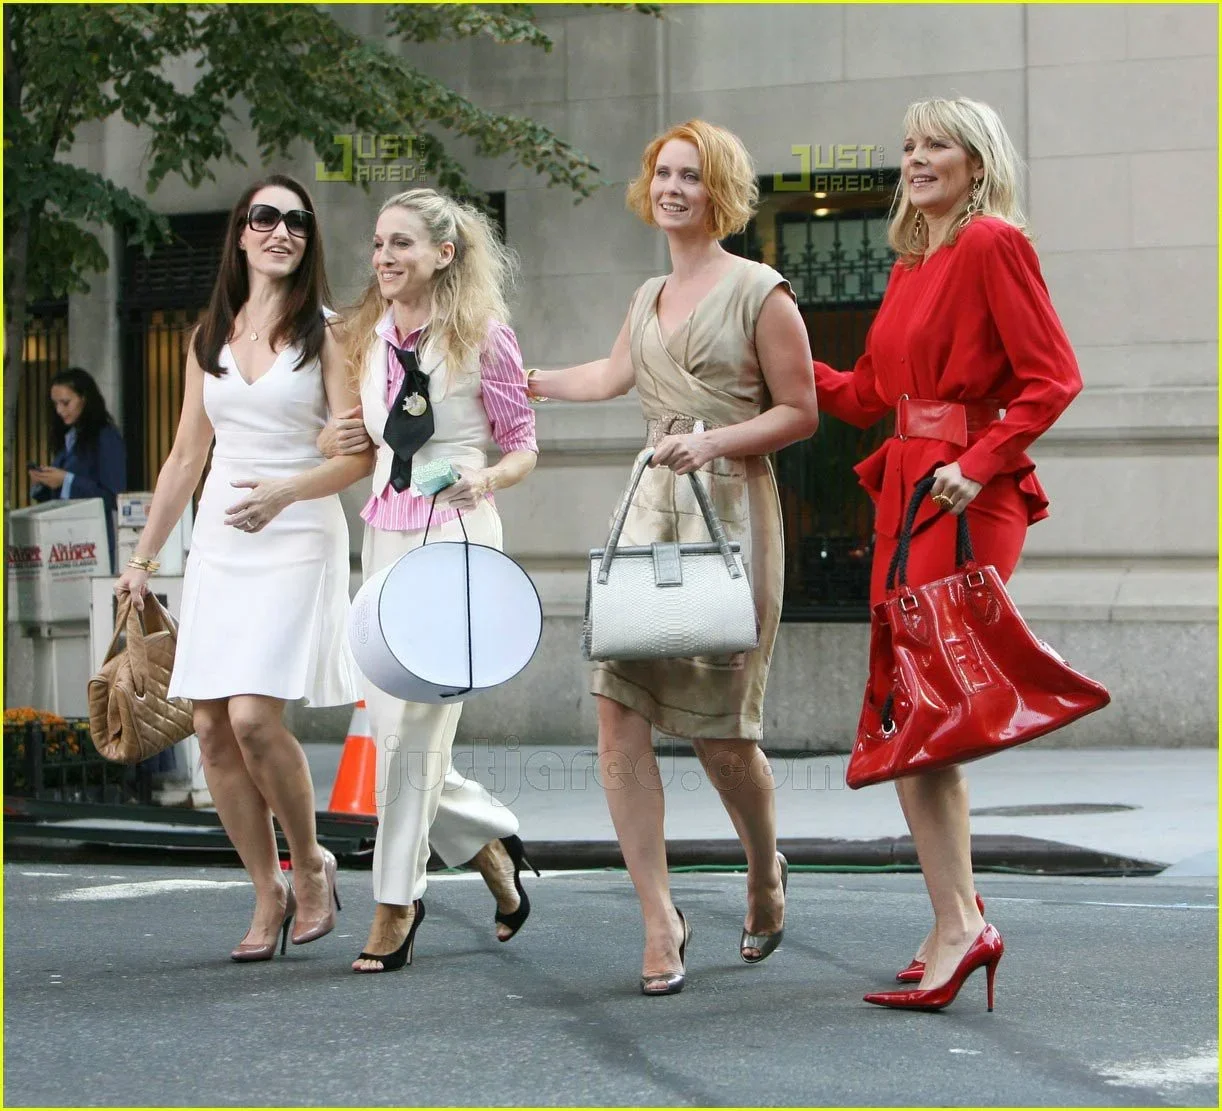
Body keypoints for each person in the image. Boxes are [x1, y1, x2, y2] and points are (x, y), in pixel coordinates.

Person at [527, 120, 820, 995]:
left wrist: (714, 439)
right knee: (616, 709)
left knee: (724, 735)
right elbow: (611, 375)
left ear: (717, 189)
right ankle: (659, 917)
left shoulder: (761, 291)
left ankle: (763, 869)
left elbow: (801, 411)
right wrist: (525, 381)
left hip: (731, 514)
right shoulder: (647, 292)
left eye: (690, 175)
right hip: (650, 513)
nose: (672, 188)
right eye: (663, 173)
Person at [813, 97, 1083, 1011]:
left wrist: (979, 461)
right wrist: (776, 356)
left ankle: (961, 923)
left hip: (966, 494)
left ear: (977, 162)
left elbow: (1054, 377)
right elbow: (868, 394)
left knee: (927, 711)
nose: (917, 158)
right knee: (911, 709)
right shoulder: (912, 262)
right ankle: (953, 914)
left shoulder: (992, 243)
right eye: (908, 146)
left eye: (937, 144)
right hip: (909, 489)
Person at [114, 174, 374, 963]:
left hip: (297, 533)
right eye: (266, 217)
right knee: (209, 728)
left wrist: (286, 490)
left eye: (297, 220)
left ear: (308, 239)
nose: (281, 230)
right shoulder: (209, 337)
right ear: (240, 233)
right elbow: (185, 456)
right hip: (223, 544)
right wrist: (143, 557)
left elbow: (357, 454)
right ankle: (267, 889)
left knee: (255, 718)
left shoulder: (328, 334)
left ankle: (311, 862)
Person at [317, 187, 539, 973]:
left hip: (457, 536)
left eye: (402, 243)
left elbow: (523, 444)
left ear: (444, 254)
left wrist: (490, 480)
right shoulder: (367, 338)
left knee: (414, 730)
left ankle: (396, 901)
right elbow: (354, 438)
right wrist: (337, 434)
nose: (384, 257)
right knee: (392, 729)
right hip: (384, 534)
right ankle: (492, 849)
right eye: (379, 243)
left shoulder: (485, 335)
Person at [30, 366, 127, 570]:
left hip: (93, 542)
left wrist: (67, 480)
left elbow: (113, 495)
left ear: (84, 399)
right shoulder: (69, 438)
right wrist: (44, 481)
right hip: (65, 542)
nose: (60, 410)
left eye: (66, 403)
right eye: (55, 404)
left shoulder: (106, 437)